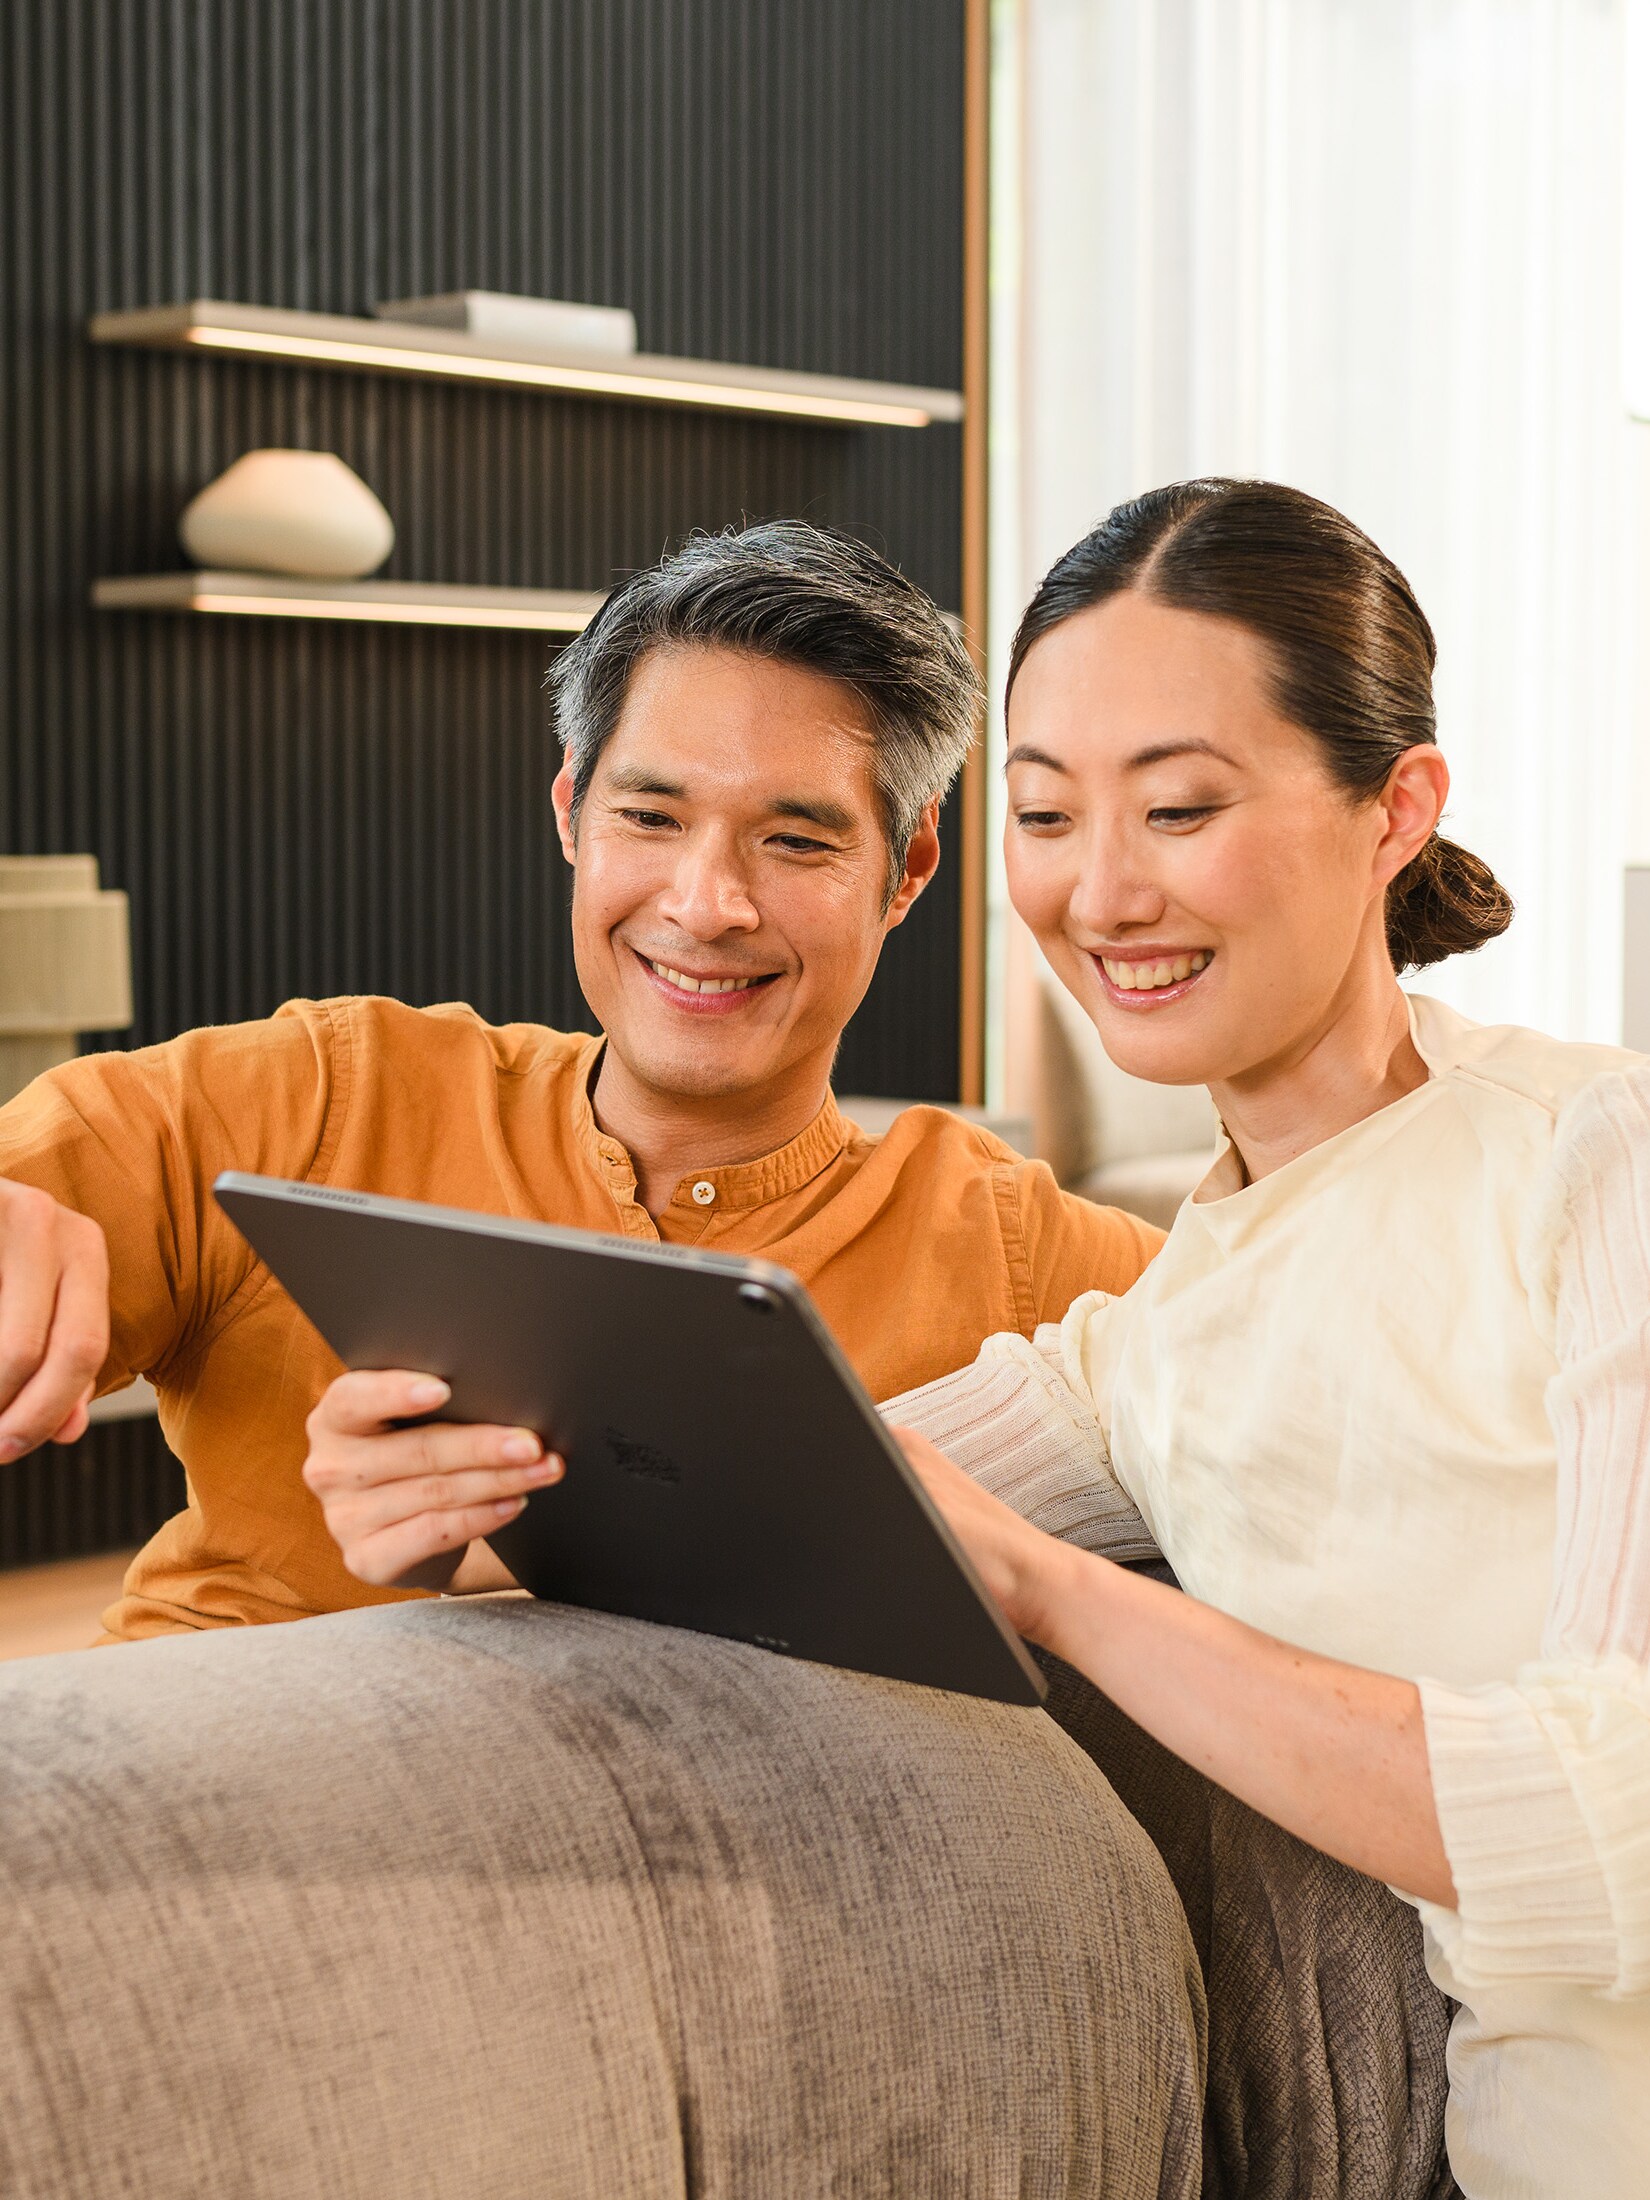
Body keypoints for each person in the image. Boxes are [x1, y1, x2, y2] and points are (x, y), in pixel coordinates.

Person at [888, 479, 1650, 2199]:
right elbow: (773, 1483)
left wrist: (1056, 1587)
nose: (1099, 892)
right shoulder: (1145, 1346)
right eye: (1043, 814)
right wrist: (461, 1489)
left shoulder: (1599, 1155)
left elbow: (1623, 1829)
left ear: (1397, 807)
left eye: (1177, 808)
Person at [0, 521, 1159, 1640]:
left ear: (905, 871)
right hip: (167, 1772)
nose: (706, 906)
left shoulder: (1012, 1252)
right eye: (649, 816)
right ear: (571, 813)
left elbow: (1300, 1352)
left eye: (797, 841)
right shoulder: (318, 1095)